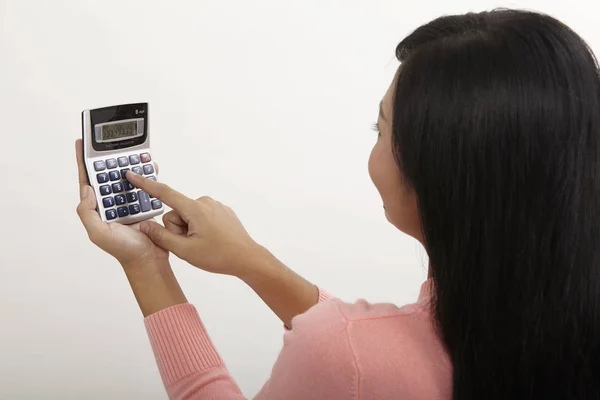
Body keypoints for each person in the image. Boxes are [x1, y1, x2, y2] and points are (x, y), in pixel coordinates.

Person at [75, 8, 600, 400]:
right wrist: (251, 261)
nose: (373, 146)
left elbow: (355, 358)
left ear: (438, 172)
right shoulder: (544, 326)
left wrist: (145, 264)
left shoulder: (347, 357)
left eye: (381, 127)